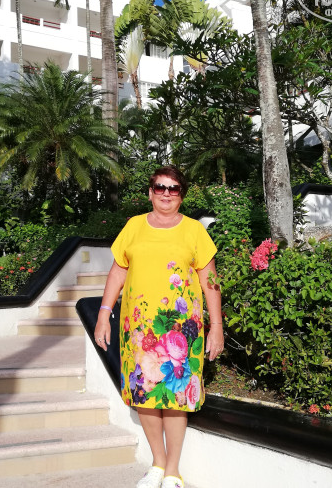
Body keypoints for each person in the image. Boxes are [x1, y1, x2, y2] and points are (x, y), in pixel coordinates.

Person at [94, 165, 224, 488]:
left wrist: (217, 326)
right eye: (160, 187)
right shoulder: (133, 227)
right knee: (145, 393)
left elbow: (210, 282)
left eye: (173, 188)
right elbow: (118, 272)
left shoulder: (194, 231)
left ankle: (173, 472)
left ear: (182, 195)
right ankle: (157, 464)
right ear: (150, 192)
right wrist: (103, 313)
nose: (166, 193)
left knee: (177, 396)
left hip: (182, 329)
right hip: (140, 329)